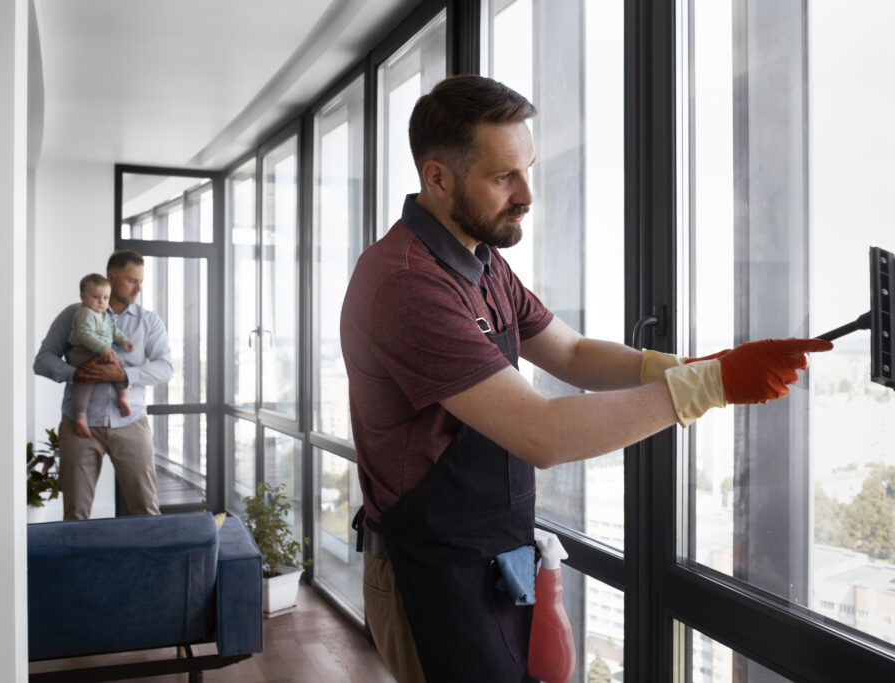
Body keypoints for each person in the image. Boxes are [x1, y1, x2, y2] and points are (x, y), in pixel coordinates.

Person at [339, 75, 832, 683]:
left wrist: (694, 366)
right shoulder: (408, 283)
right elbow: (543, 434)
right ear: (438, 178)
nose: (527, 194)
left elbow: (569, 352)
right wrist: (711, 386)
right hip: (428, 573)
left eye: (528, 169)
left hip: (489, 559)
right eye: (503, 177)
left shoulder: (481, 261)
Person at [34, 250, 173, 520]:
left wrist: (122, 375)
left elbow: (165, 368)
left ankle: (148, 563)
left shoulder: (149, 321)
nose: (139, 288)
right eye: (132, 280)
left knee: (146, 511)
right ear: (112, 277)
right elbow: (42, 361)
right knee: (75, 514)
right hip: (79, 425)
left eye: (141, 281)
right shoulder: (74, 315)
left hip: (131, 422)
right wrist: (76, 374)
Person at [67, 273, 135, 438]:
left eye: (105, 298)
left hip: (99, 352)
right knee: (86, 377)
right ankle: (81, 415)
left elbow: (113, 331)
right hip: (82, 351)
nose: (101, 302)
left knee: (118, 366)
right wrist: (103, 348)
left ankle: (124, 395)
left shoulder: (104, 315)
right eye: (96, 297)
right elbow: (85, 335)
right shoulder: (85, 313)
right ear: (83, 297)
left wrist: (123, 340)